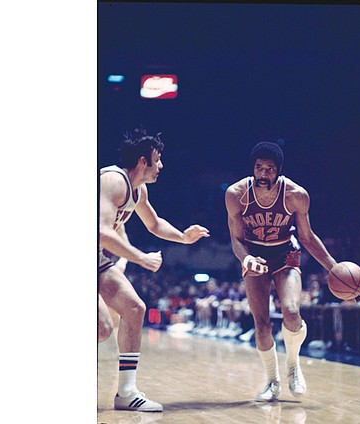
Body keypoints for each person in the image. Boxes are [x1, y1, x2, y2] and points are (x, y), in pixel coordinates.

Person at [99, 127, 210, 412]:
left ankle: (126, 393)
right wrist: (140, 258)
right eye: (157, 159)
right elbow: (101, 232)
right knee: (102, 328)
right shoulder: (112, 180)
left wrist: (184, 237)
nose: (161, 165)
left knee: (134, 308)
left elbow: (154, 223)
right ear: (142, 161)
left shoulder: (138, 190)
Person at [225, 141, 340, 401]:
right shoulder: (236, 194)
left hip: (285, 253)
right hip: (254, 256)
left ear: (278, 171)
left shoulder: (296, 194)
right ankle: (272, 380)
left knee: (291, 311)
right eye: (259, 168)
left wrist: (333, 268)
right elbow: (236, 239)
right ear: (252, 169)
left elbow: (307, 237)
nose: (263, 174)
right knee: (262, 323)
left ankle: (293, 365)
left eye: (269, 169)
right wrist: (246, 260)